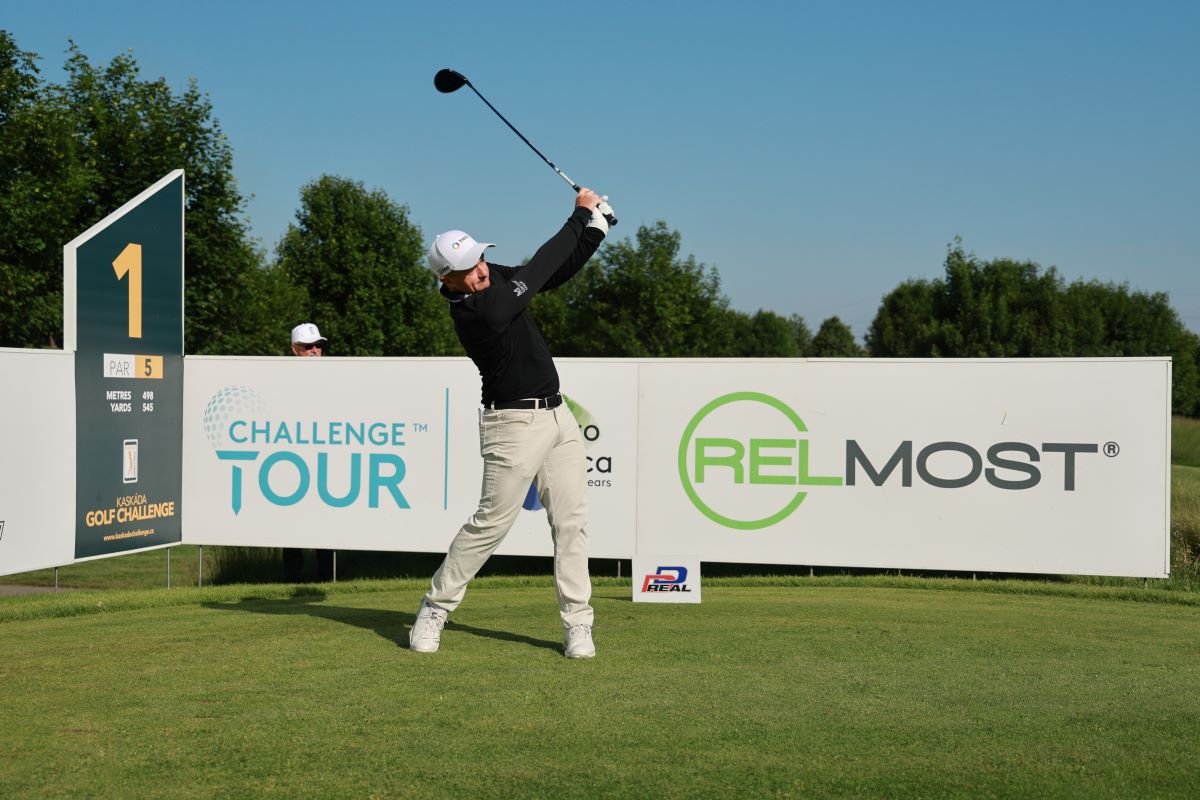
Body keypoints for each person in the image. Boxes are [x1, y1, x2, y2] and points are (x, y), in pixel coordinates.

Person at [409, 188, 613, 659]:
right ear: (448, 279)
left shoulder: (491, 279)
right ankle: (435, 608)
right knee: (490, 525)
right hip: (512, 424)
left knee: (572, 523)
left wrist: (595, 231)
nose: (482, 270)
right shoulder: (475, 310)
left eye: (481, 259)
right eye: (470, 268)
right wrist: (579, 216)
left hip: (559, 416)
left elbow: (549, 274)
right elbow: (538, 270)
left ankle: (578, 624)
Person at [283, 322, 335, 583]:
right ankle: (290, 578)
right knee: (290, 521)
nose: (315, 350)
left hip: (325, 460)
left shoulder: (334, 378)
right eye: (308, 346)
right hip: (291, 461)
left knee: (325, 521)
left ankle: (326, 578)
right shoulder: (282, 380)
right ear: (295, 349)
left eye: (318, 345)